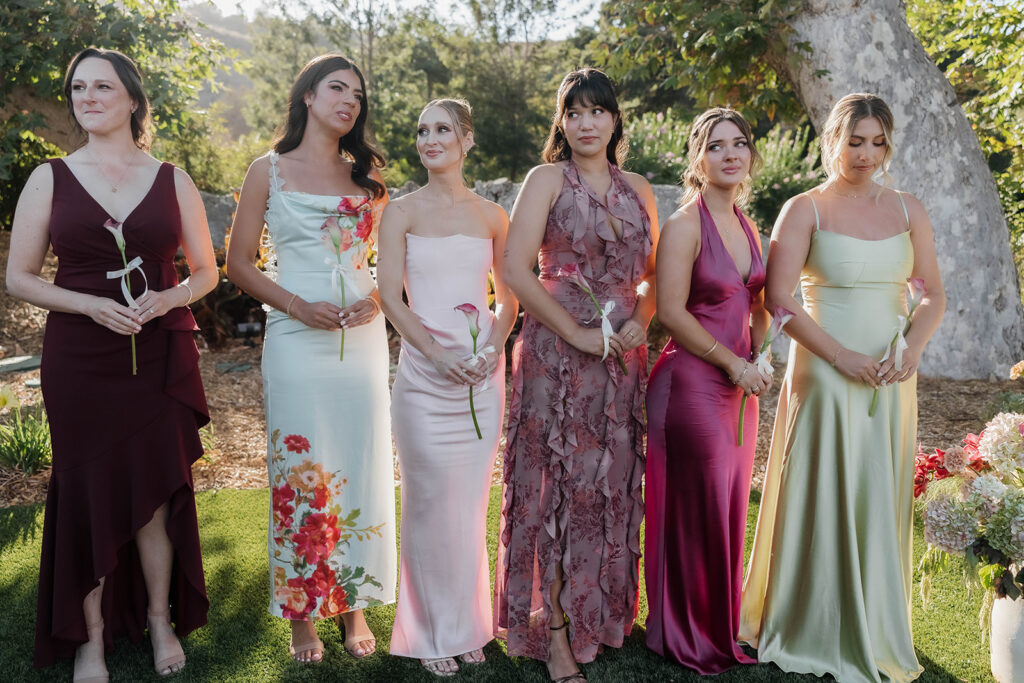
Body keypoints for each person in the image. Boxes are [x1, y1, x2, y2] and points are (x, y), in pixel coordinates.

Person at [6, 48, 216, 682]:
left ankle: (158, 618)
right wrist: (89, 305)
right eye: (78, 87)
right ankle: (90, 637)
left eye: (102, 87)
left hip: (158, 354)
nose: (87, 97)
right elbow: (19, 277)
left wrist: (169, 299)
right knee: (88, 491)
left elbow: (206, 272)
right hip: (80, 359)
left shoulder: (173, 179)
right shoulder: (49, 177)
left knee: (155, 492)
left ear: (132, 99)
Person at [739, 93, 945, 682]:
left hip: (891, 376)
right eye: (855, 141)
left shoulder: (908, 209)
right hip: (825, 373)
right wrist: (841, 356)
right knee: (824, 486)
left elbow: (932, 294)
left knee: (876, 488)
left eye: (878, 142)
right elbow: (778, 301)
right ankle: (808, 621)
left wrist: (913, 347)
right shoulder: (804, 208)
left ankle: (875, 623)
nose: (866, 154)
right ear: (833, 139)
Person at [225, 53, 396, 665]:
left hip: (361, 340)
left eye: (357, 94)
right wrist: (297, 306)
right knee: (300, 466)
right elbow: (238, 264)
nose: (349, 101)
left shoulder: (368, 180)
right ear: (307, 96)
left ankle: (354, 606)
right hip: (295, 337)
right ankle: (302, 614)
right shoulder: (266, 170)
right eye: (336, 88)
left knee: (358, 461)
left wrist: (376, 301)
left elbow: (390, 265)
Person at [494, 67, 658, 683]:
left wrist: (641, 319)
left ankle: (603, 618)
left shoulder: (639, 188)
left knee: (608, 486)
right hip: (555, 356)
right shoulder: (545, 180)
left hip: (621, 364)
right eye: (574, 112)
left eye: (597, 111)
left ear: (615, 120)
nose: (586, 123)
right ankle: (556, 631)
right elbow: (516, 269)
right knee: (557, 489)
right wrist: (576, 333)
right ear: (561, 122)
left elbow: (654, 277)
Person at [377, 98, 518, 677]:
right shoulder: (400, 212)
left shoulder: (493, 216)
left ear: (466, 139)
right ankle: (430, 631)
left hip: (480, 379)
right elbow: (389, 296)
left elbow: (508, 298)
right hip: (423, 379)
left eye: (442, 129)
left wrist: (491, 350)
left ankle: (467, 627)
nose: (429, 139)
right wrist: (435, 355)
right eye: (422, 130)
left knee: (467, 504)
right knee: (429, 502)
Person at [644, 108, 769, 674]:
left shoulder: (748, 225)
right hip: (691, 384)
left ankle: (719, 626)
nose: (729, 154)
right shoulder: (684, 225)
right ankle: (685, 634)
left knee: (728, 505)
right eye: (716, 145)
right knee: (698, 510)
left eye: (738, 143)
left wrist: (760, 357)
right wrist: (734, 364)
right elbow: (671, 312)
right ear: (698, 158)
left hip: (741, 387)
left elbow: (757, 304)